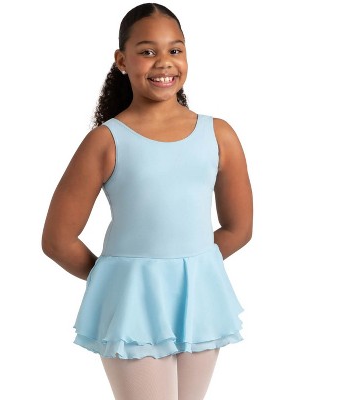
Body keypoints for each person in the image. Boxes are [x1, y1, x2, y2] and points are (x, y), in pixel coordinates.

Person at [41, 3, 253, 399]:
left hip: (198, 299)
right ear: (122, 60)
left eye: (175, 49)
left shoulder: (219, 134)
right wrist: (121, 279)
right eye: (147, 51)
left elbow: (238, 228)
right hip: (133, 303)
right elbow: (57, 239)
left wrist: (188, 267)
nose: (164, 62)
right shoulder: (106, 141)